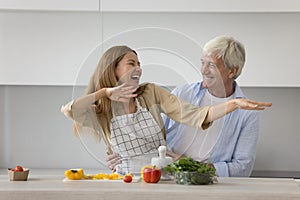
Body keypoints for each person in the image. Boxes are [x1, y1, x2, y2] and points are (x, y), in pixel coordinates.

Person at [61, 45, 271, 175]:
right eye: (131, 63)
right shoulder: (102, 111)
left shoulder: (151, 93)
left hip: (160, 177)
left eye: (139, 63)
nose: (138, 68)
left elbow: (195, 114)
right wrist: (104, 93)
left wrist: (233, 104)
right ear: (113, 69)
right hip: (123, 180)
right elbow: (71, 110)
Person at [165, 35, 262, 177]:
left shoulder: (247, 113)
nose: (203, 70)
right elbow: (155, 135)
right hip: (172, 177)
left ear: (232, 71)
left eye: (211, 65)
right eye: (203, 63)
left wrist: (190, 166)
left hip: (213, 184)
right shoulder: (182, 94)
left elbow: (242, 168)